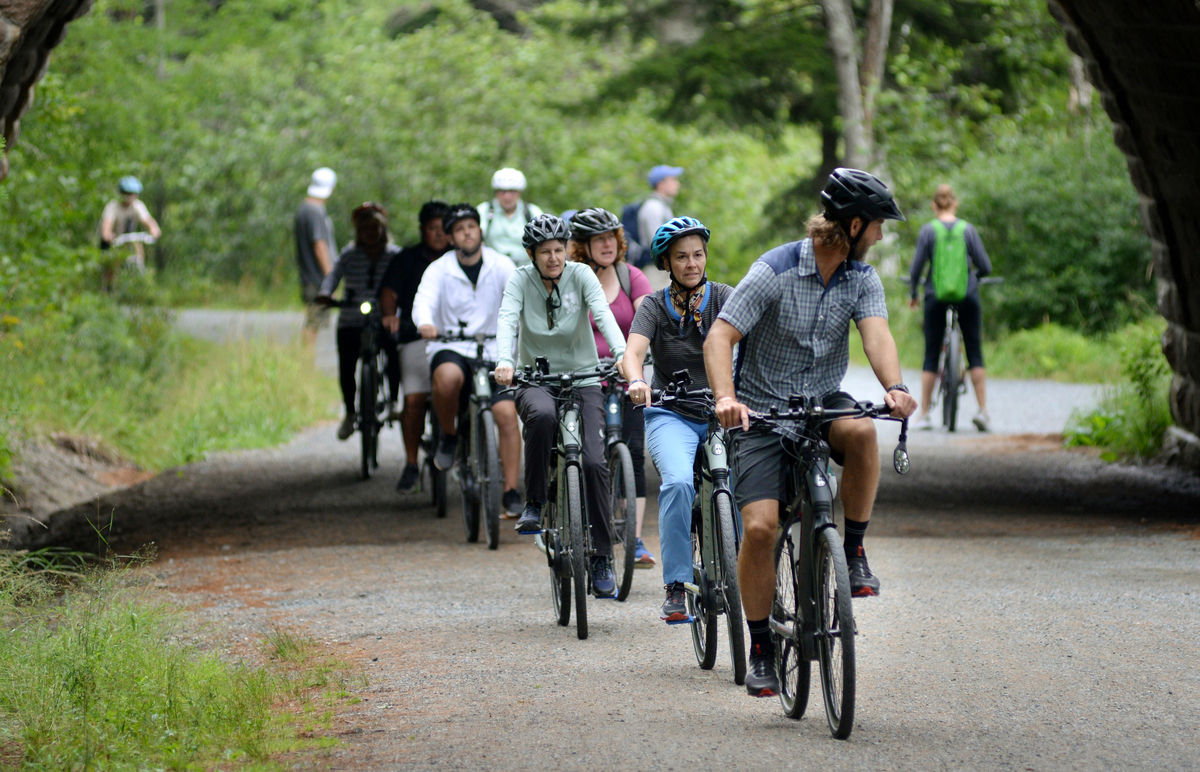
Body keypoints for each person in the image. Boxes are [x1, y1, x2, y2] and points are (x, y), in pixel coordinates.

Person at [704, 168, 918, 697]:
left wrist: (895, 387)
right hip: (760, 413)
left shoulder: (860, 279)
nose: (882, 237)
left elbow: (878, 336)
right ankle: (759, 647)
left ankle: (855, 551)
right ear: (853, 222)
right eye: (878, 227)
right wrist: (727, 399)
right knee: (759, 529)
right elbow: (720, 337)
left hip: (821, 403)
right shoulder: (774, 270)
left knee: (865, 433)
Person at [494, 215, 628, 598]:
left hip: (584, 377)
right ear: (531, 255)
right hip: (535, 379)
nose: (553, 258)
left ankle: (602, 557)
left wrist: (621, 354)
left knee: (593, 462)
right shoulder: (520, 279)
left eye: (558, 250)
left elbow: (602, 314)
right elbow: (507, 320)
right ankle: (535, 502)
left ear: (567, 250)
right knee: (542, 416)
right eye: (544, 252)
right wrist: (505, 360)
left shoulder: (581, 275)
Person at [622, 216, 734, 620]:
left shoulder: (724, 297)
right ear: (666, 263)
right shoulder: (653, 305)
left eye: (698, 255)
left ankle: (743, 571)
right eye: (681, 257)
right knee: (678, 483)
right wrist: (637, 380)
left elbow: (756, 336)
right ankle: (675, 585)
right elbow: (632, 353)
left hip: (723, 411)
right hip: (672, 412)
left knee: (747, 486)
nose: (692, 264)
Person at [412, 203, 524, 513]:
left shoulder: (501, 265)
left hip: (494, 348)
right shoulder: (439, 269)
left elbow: (520, 297)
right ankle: (449, 435)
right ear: (450, 237)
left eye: (471, 227)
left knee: (505, 413)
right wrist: (425, 323)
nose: (467, 233)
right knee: (448, 379)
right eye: (459, 229)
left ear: (479, 230)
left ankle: (511, 490)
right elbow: (424, 300)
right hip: (453, 344)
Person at [569, 207, 657, 568]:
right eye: (597, 239)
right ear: (583, 246)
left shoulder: (631, 275)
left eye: (611, 238)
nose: (606, 245)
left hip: (625, 376)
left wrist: (637, 358)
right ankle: (575, 518)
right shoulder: (572, 279)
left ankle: (633, 539)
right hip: (582, 378)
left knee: (634, 453)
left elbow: (646, 319)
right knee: (585, 454)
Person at [908, 184, 994, 432]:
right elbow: (985, 266)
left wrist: (914, 294)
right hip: (968, 296)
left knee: (931, 353)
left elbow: (916, 270)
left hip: (935, 297)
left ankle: (924, 414)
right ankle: (983, 412)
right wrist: (973, 281)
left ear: (934, 206)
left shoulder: (928, 230)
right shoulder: (967, 230)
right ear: (955, 203)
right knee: (975, 351)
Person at [380, 200, 452, 494]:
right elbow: (389, 291)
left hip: (455, 340)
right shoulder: (406, 258)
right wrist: (389, 315)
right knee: (414, 401)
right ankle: (411, 463)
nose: (437, 234)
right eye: (431, 228)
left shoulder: (461, 258)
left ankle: (465, 453)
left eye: (442, 228)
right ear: (422, 230)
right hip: (415, 338)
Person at [317, 202, 402, 441]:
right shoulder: (349, 254)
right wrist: (326, 293)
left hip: (385, 317)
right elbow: (333, 276)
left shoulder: (394, 254)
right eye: (365, 228)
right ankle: (350, 412)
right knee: (346, 364)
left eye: (375, 227)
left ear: (383, 228)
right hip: (352, 317)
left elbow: (405, 280)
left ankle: (394, 400)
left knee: (394, 349)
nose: (370, 232)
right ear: (358, 231)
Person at [294, 167, 338, 349]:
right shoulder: (314, 211)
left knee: (313, 322)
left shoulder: (304, 208)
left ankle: (306, 362)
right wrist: (331, 279)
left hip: (310, 276)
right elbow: (319, 245)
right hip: (317, 279)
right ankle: (306, 364)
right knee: (313, 324)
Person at [99, 176, 163, 282]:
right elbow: (106, 229)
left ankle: (141, 283)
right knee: (111, 267)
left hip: (129, 239)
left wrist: (154, 230)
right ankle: (108, 289)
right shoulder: (113, 207)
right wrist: (109, 236)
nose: (130, 197)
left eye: (133, 194)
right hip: (114, 242)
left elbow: (148, 221)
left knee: (138, 253)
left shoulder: (138, 206)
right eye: (127, 193)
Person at [478, 168, 544, 268]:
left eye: (512, 191)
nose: (507, 196)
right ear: (496, 192)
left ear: (519, 192)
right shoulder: (484, 211)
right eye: (502, 191)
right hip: (493, 270)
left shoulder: (532, 212)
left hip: (528, 271)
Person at [636, 165, 683, 268]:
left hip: (662, 267)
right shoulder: (653, 207)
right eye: (673, 179)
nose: (677, 183)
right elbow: (658, 243)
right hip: (655, 269)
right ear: (661, 184)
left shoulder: (662, 206)